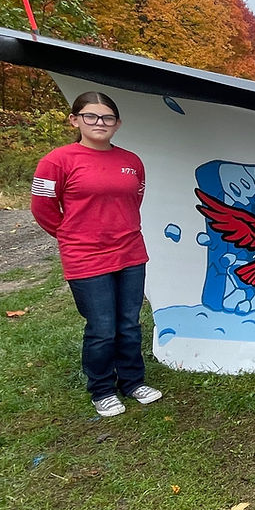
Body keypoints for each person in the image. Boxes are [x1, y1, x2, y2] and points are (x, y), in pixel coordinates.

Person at [30, 91, 162, 417]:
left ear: (117, 124)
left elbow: (134, 200)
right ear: (75, 120)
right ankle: (102, 388)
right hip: (86, 257)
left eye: (107, 118)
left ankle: (132, 382)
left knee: (130, 323)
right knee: (102, 327)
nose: (99, 123)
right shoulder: (56, 161)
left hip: (130, 253)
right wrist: (70, 236)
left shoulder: (132, 162)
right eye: (91, 116)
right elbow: (42, 207)